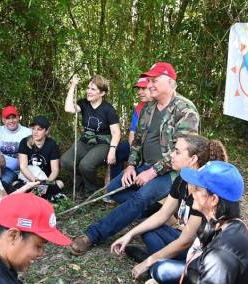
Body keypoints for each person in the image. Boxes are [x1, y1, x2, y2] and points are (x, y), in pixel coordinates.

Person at [70, 62, 200, 255]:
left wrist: (152, 172)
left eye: (154, 80)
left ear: (170, 82)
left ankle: (93, 235)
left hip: (173, 173)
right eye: (149, 80)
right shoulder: (148, 108)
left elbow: (182, 152)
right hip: (145, 166)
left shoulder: (186, 110)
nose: (150, 84)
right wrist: (131, 166)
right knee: (114, 190)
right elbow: (137, 142)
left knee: (140, 198)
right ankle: (158, 212)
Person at [110, 134, 228, 283]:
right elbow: (162, 214)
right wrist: (129, 235)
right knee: (148, 229)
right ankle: (162, 263)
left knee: (161, 270)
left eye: (177, 152)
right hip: (188, 246)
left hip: (202, 254)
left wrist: (148, 262)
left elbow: (186, 241)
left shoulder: (203, 191)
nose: (171, 155)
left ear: (193, 159)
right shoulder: (181, 180)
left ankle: (164, 266)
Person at [179, 161, 248, 283]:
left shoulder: (220, 256)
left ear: (214, 199)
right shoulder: (226, 222)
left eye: (197, 188)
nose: (192, 191)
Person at [61, 74, 121, 193]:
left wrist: (112, 150)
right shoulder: (84, 103)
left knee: (86, 165)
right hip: (85, 140)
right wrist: (73, 85)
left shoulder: (108, 109)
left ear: (102, 93)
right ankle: (81, 182)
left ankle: (91, 190)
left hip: (102, 143)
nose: (88, 91)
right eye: (88, 88)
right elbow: (68, 108)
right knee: (66, 161)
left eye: (93, 89)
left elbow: (116, 132)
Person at [110, 76, 153, 180]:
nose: (139, 92)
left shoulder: (162, 106)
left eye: (144, 88)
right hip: (138, 146)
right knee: (118, 150)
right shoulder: (139, 108)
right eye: (139, 89)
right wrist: (134, 151)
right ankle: (115, 183)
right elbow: (132, 133)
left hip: (152, 149)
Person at [18, 116, 65, 202]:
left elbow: (55, 170)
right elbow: (23, 167)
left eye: (39, 129)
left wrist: (46, 183)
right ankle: (48, 196)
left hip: (46, 180)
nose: (35, 132)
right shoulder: (24, 142)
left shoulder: (52, 145)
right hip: (30, 178)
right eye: (33, 129)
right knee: (16, 185)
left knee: (60, 183)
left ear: (46, 131)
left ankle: (34, 197)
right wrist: (35, 181)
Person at [0, 105, 32, 185]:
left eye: (13, 117)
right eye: (8, 118)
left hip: (23, 171)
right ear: (3, 120)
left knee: (4, 183)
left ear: (18, 118)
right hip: (2, 169)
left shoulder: (27, 132)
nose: (11, 121)